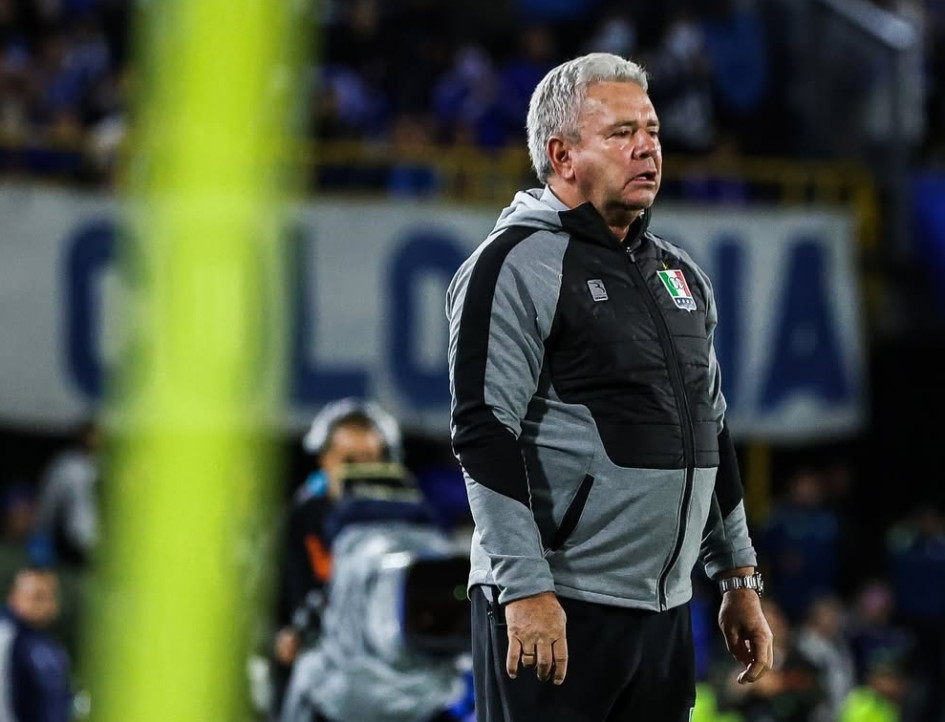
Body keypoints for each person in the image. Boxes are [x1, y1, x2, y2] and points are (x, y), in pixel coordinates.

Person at [446, 52, 773, 722]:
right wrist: (527, 589)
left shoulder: (679, 274)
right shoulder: (509, 265)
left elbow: (709, 429)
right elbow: (483, 430)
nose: (647, 147)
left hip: (663, 612)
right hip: (557, 604)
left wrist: (736, 577)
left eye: (650, 130)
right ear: (562, 156)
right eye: (621, 132)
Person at [271, 399, 401, 716]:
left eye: (369, 458)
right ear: (324, 460)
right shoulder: (297, 521)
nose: (359, 471)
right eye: (348, 460)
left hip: (383, 683)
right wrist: (277, 638)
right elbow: (261, 603)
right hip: (310, 679)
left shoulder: (403, 522)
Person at [0, 567, 72, 722]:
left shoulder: (47, 645)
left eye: (51, 597)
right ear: (14, 597)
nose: (46, 605)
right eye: (38, 597)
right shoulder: (13, 639)